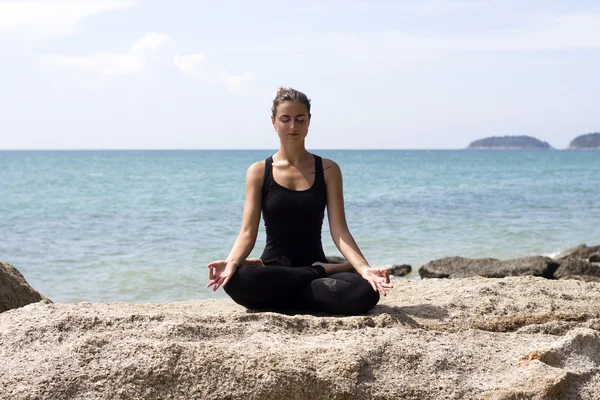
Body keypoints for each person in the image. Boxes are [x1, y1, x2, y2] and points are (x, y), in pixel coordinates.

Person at [206, 87, 393, 315]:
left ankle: (283, 295)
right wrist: (232, 262)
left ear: (309, 122)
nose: (293, 126)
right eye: (285, 119)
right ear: (273, 122)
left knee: (366, 291)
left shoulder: (328, 169)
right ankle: (317, 276)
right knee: (235, 280)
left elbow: (340, 231)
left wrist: (364, 268)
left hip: (309, 262)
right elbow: (247, 233)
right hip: (275, 268)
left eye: (300, 119)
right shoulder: (258, 171)